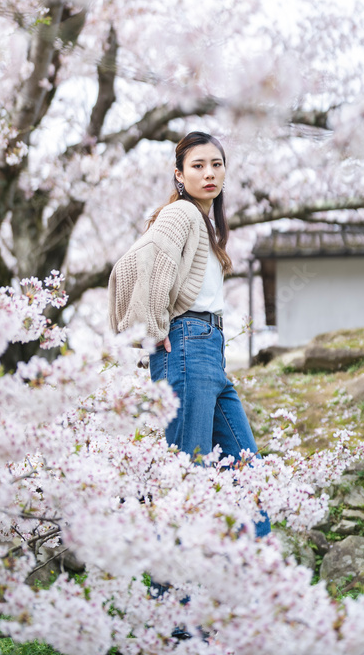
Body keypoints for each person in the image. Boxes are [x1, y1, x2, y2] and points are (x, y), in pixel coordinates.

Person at [108, 129, 271, 539]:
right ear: (179, 174)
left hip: (209, 352)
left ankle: (257, 584)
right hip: (185, 345)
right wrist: (152, 328)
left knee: (247, 472)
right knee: (185, 480)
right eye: (198, 166)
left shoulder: (205, 224)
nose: (209, 173)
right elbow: (143, 264)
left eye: (217, 165)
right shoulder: (180, 214)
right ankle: (170, 598)